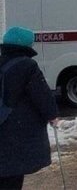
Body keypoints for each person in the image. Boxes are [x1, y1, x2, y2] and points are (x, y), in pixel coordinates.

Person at [0, 27, 59, 190]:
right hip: (16, 130)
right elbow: (41, 95)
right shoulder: (27, 66)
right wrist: (52, 115)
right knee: (12, 175)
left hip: (3, 126)